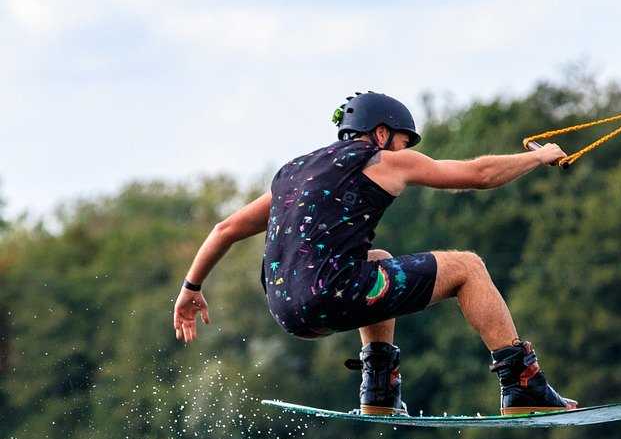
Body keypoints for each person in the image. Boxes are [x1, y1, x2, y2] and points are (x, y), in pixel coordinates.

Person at [173, 92, 576, 416]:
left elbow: (224, 229)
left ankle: (379, 388)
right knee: (468, 267)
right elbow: (479, 175)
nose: (405, 151)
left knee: (377, 260)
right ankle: (522, 384)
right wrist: (538, 157)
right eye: (403, 141)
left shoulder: (293, 173)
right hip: (332, 293)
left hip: (286, 310)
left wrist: (191, 287)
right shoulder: (380, 160)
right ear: (381, 133)